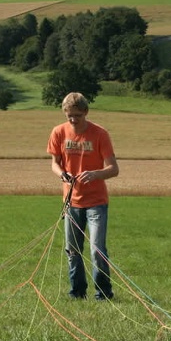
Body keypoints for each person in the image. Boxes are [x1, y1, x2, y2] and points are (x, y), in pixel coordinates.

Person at [47, 92, 120, 300]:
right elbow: (54, 162)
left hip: (96, 202)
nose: (73, 120)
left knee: (97, 249)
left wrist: (96, 174)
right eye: (69, 115)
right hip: (71, 202)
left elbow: (114, 169)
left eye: (77, 115)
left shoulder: (100, 134)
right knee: (72, 251)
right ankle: (77, 293)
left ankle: (104, 293)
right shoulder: (58, 132)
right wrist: (62, 174)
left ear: (86, 112)